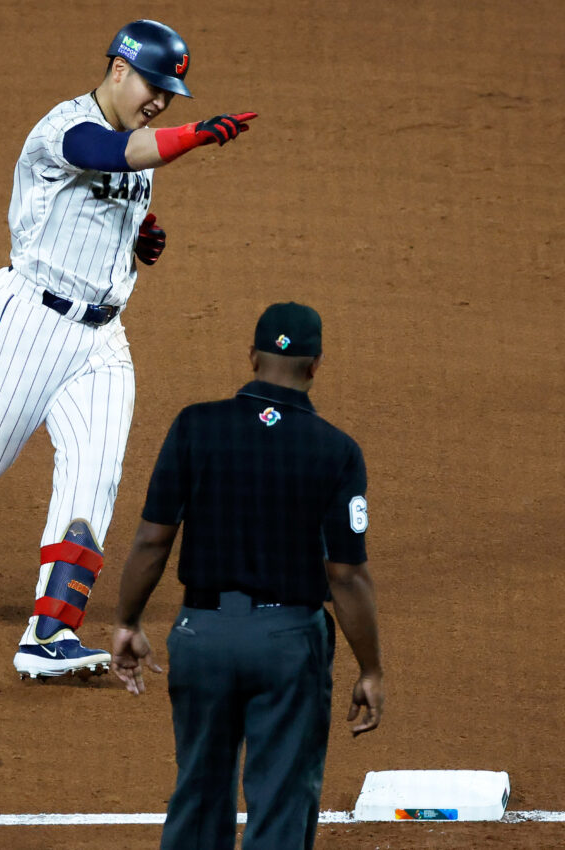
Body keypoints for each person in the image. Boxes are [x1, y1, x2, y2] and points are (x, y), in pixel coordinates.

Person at [0, 19, 258, 680]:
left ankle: (51, 632)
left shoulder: (133, 141)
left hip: (102, 339)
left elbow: (124, 193)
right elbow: (114, 156)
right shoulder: (65, 128)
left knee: (96, 473)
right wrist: (196, 136)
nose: (161, 101)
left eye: (172, 95)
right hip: (30, 323)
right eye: (154, 85)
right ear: (120, 69)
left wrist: (141, 236)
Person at [111, 302, 384, 849]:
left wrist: (126, 621)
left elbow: (153, 539)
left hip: (202, 637)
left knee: (198, 796)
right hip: (287, 647)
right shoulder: (336, 450)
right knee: (281, 804)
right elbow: (347, 575)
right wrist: (371, 668)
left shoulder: (195, 426)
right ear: (316, 366)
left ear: (252, 357)